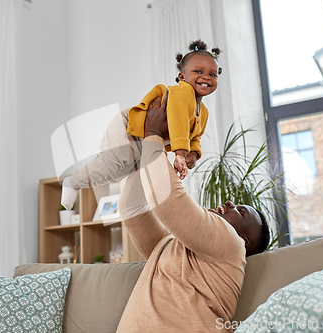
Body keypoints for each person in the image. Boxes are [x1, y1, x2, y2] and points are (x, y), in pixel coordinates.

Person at [115, 91, 271, 332]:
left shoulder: (231, 245)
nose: (230, 204)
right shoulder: (171, 244)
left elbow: (167, 200)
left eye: (240, 212)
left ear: (245, 240)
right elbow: (132, 208)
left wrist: (154, 135)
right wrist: (142, 151)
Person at [61, 40, 221, 210]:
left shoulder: (203, 112)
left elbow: (195, 137)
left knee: (118, 175)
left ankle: (79, 183)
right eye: (198, 71)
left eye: (213, 75)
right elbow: (178, 119)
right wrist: (180, 154)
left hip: (145, 141)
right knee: (111, 164)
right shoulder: (182, 92)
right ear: (182, 77)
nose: (206, 77)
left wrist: (194, 154)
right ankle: (72, 182)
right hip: (128, 127)